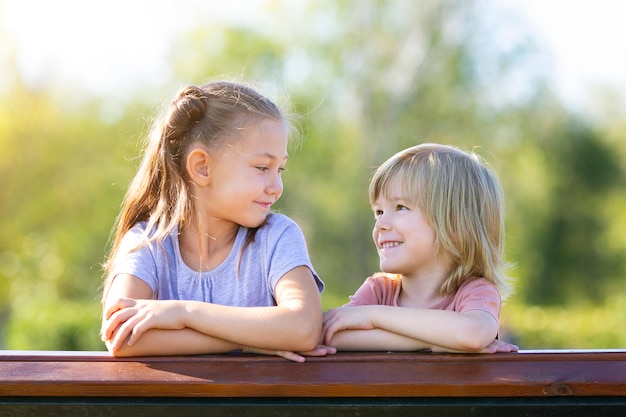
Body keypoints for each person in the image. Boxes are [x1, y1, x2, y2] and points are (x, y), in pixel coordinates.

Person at [100, 80, 332, 362]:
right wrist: (250, 343)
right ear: (202, 167)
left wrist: (184, 313)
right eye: (262, 168)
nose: (277, 186)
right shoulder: (147, 243)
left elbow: (304, 328)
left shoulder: (278, 236)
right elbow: (122, 337)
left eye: (279, 169)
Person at [322, 143, 518, 353]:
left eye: (401, 208)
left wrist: (373, 316)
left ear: (455, 226)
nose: (380, 224)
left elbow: (472, 334)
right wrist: (434, 342)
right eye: (378, 212)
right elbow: (332, 334)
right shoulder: (378, 290)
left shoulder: (474, 292)